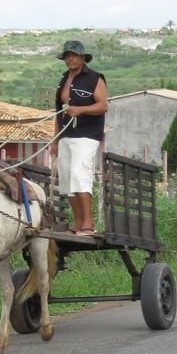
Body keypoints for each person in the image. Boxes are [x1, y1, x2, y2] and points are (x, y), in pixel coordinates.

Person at [51, 39, 108, 235]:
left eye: (74, 55)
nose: (70, 59)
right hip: (65, 135)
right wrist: (55, 140)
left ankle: (88, 224)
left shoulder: (95, 78)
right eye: (67, 56)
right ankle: (77, 223)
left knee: (79, 174)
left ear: (83, 58)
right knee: (66, 180)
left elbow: (103, 106)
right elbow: (59, 113)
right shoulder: (64, 78)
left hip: (86, 136)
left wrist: (81, 109)